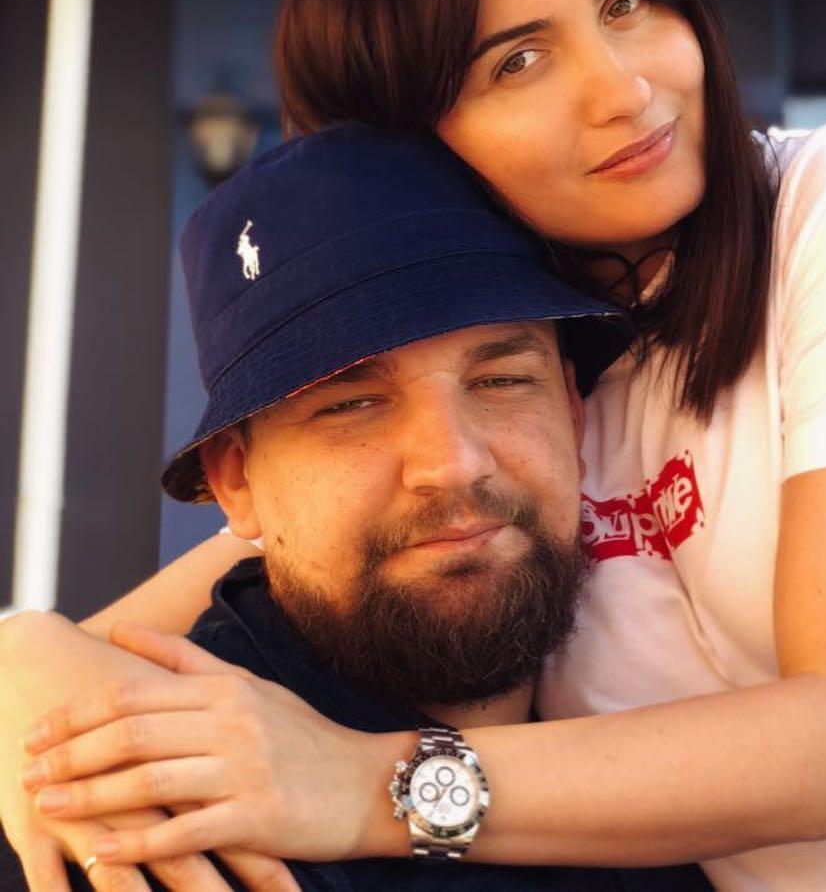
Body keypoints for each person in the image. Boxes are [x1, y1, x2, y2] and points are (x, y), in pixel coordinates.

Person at [4, 0, 826, 890]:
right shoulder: (533, 355)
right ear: (411, 154)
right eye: (517, 60)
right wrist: (22, 660)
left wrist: (367, 786)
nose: (623, 89)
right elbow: (270, 540)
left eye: (625, 1)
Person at [4, 124, 711, 891]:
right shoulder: (136, 828)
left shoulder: (684, 720)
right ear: (238, 481)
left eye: (502, 380)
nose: (453, 462)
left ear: (573, 414)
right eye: (352, 404)